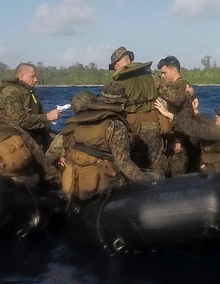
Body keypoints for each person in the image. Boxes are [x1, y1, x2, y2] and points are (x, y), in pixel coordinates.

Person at [57, 81, 157, 202]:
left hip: (76, 184)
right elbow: (123, 163)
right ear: (122, 104)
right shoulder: (115, 125)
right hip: (103, 188)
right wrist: (148, 181)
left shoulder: (82, 120)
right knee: (154, 176)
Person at [109, 46, 166, 174]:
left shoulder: (119, 82)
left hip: (131, 125)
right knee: (156, 161)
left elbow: (111, 106)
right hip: (152, 122)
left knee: (135, 162)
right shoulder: (152, 77)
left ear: (117, 64)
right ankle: (161, 189)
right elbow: (169, 95)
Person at [0, 63, 59, 150]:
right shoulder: (9, 92)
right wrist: (46, 117)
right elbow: (17, 119)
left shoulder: (27, 91)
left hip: (34, 132)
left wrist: (47, 119)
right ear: (21, 76)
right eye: (32, 76)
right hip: (16, 135)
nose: (35, 80)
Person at [155, 55, 194, 176]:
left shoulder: (182, 86)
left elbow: (185, 114)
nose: (162, 76)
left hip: (179, 136)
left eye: (164, 72)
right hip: (172, 134)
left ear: (174, 71)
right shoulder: (173, 86)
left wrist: (178, 140)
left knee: (177, 171)